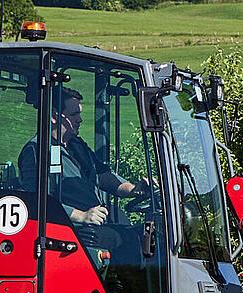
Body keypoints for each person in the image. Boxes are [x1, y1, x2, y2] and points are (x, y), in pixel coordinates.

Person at [15, 86, 148, 263]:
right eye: (74, 115)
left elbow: (104, 176)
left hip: (93, 225)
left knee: (141, 235)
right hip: (69, 231)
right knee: (129, 241)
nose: (80, 120)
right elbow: (35, 200)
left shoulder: (76, 145)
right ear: (54, 116)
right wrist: (82, 215)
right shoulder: (36, 151)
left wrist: (134, 189)